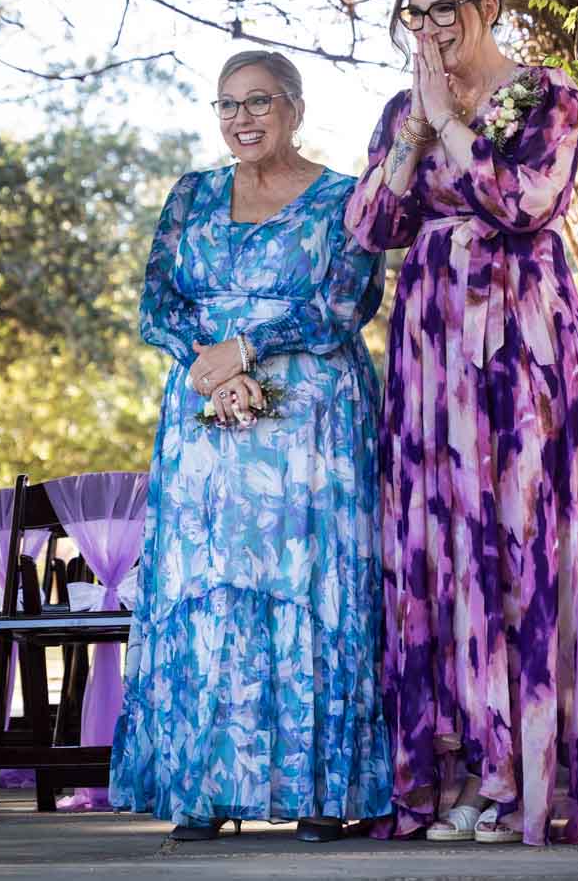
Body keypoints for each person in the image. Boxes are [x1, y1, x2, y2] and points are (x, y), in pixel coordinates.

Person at [345, 0, 578, 847]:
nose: (431, 29)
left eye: (445, 8)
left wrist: (452, 124)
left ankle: (520, 778)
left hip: (521, 338)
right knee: (442, 546)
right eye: (416, 14)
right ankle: (455, 771)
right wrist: (414, 131)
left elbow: (525, 204)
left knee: (522, 538)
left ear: (488, 7)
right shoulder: (403, 108)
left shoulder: (547, 90)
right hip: (433, 344)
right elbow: (371, 226)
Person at [110, 49, 392, 843]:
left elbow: (345, 303)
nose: (242, 118)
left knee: (309, 591)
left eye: (260, 101)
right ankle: (206, 790)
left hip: (311, 422)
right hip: (205, 418)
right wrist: (213, 368)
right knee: (209, 589)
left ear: (295, 107)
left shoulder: (343, 198)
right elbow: (157, 303)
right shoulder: (190, 194)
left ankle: (322, 794)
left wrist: (246, 346)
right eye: (228, 104)